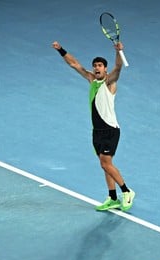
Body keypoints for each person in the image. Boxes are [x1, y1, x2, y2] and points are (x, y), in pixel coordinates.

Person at [51, 40, 136, 212]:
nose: (97, 68)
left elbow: (118, 68)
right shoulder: (91, 79)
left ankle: (127, 191)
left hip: (110, 130)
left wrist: (119, 52)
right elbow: (74, 64)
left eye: (100, 66)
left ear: (105, 69)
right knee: (105, 164)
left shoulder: (109, 82)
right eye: (95, 65)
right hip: (96, 132)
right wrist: (61, 50)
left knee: (106, 164)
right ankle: (112, 197)